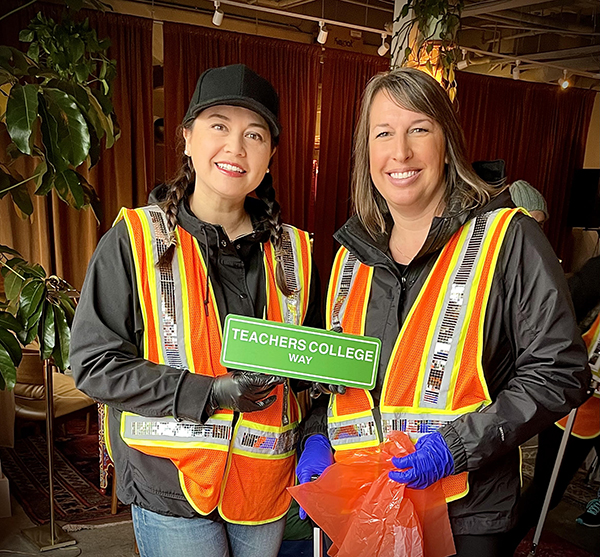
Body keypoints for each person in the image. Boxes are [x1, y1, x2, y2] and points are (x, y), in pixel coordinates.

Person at [296, 67, 590, 557]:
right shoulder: (351, 256)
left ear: (447, 142)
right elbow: (338, 381)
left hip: (466, 514)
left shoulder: (509, 239)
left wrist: (455, 446)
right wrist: (315, 435)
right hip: (363, 500)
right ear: (365, 151)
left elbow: (560, 373)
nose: (400, 152)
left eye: (419, 129)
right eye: (383, 133)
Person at [70, 64, 321, 557]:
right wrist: (209, 392)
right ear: (186, 138)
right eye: (218, 126)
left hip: (265, 486)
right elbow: (94, 363)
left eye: (255, 134)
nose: (235, 147)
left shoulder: (297, 252)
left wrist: (316, 433)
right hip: (171, 484)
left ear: (270, 156)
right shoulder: (135, 240)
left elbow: (314, 368)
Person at [506, 254, 600, 551]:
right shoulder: (598, 273)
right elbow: (556, 320)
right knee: (547, 490)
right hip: (581, 404)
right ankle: (500, 546)